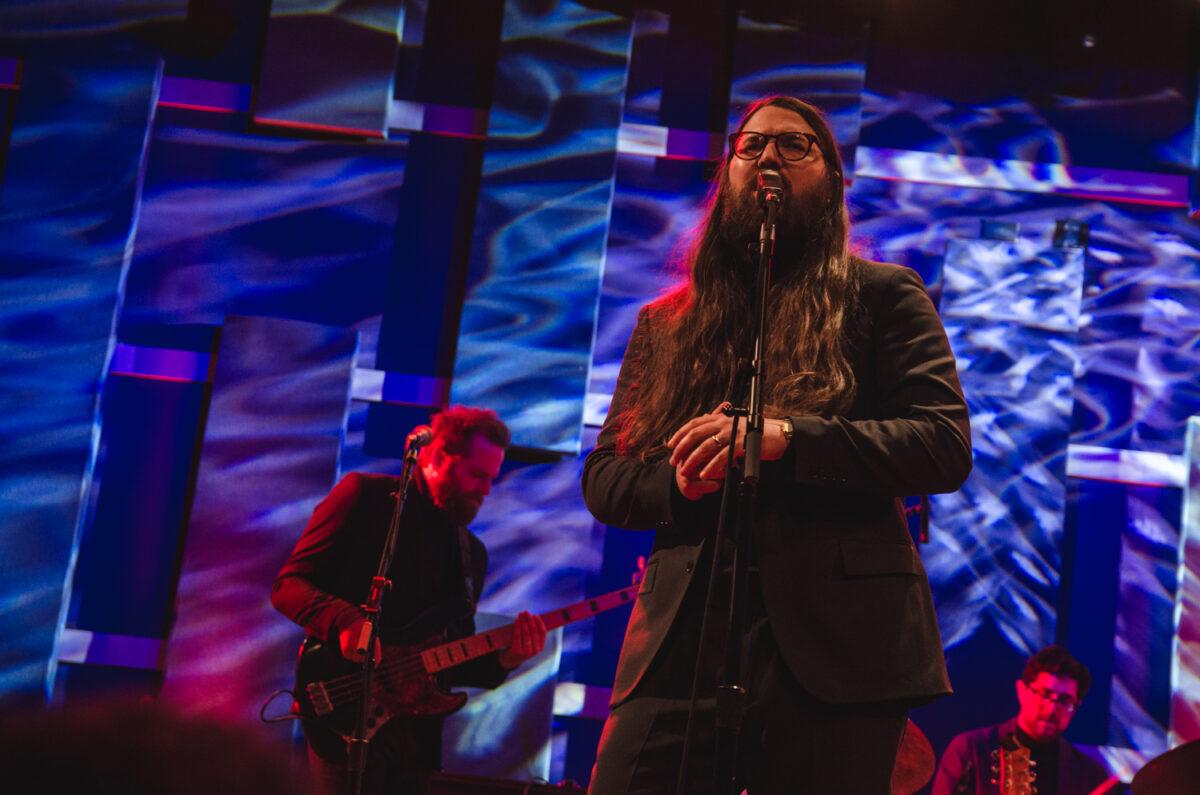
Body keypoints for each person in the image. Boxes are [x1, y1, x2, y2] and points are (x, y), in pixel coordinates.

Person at [581, 95, 973, 794]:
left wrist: (783, 439)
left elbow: (941, 443)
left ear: (831, 182)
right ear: (727, 173)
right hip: (682, 646)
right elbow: (606, 478)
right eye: (751, 144)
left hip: (839, 656)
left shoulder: (884, 296)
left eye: (795, 145)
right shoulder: (665, 324)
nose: (767, 157)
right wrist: (678, 484)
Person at [272, 405, 547, 795]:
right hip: (343, 715)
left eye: (491, 479)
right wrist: (345, 621)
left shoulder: (472, 554)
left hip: (416, 746)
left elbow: (452, 660)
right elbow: (288, 586)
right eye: (476, 475)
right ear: (435, 457)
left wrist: (506, 659)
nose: (486, 490)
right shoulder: (362, 497)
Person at [932, 646, 1116, 795]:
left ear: (1077, 706)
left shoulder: (1090, 776)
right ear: (1022, 691)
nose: (1052, 709)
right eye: (1045, 694)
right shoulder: (970, 749)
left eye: (1064, 701)